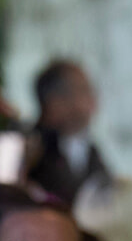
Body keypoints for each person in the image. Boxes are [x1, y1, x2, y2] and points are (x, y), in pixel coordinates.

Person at [25, 60, 108, 207]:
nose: (92, 98)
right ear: (55, 102)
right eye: (83, 90)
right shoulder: (29, 149)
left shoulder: (92, 151)